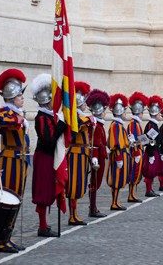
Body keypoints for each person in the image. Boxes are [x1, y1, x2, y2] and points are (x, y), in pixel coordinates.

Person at [0, 68, 29, 253]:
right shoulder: (5, 112)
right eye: (20, 95)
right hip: (8, 161)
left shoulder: (19, 113)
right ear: (12, 97)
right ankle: (1, 239)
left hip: (20, 161)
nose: (22, 98)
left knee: (17, 199)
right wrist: (18, 121)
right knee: (7, 199)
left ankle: (7, 236)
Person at [30, 73, 67, 237]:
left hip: (49, 156)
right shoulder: (42, 118)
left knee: (48, 189)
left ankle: (44, 225)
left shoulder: (49, 116)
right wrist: (61, 126)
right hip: (44, 156)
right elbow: (48, 141)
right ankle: (42, 226)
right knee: (43, 191)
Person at [67, 81, 94, 225]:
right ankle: (72, 215)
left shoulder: (81, 116)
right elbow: (80, 124)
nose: (85, 105)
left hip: (82, 153)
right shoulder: (76, 117)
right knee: (74, 185)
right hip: (76, 153)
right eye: (83, 102)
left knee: (80, 184)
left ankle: (75, 213)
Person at [86, 89, 110, 217]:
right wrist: (94, 158)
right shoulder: (95, 125)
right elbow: (94, 143)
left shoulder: (99, 124)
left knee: (97, 182)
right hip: (97, 158)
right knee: (95, 182)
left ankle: (93, 206)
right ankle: (92, 207)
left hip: (101, 156)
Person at [107, 93, 130, 210]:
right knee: (116, 179)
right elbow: (116, 143)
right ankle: (114, 202)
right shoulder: (116, 125)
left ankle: (116, 201)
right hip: (118, 155)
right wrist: (119, 157)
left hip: (121, 154)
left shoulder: (119, 125)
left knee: (119, 180)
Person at [127, 92, 148, 203]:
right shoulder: (133, 124)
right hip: (135, 152)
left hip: (139, 151)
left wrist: (146, 141)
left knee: (137, 173)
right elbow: (133, 140)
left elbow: (141, 138)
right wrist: (136, 153)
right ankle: (131, 195)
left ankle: (133, 193)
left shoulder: (137, 123)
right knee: (134, 173)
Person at [142, 95, 163, 197]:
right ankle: (148, 190)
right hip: (151, 151)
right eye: (160, 113)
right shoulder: (152, 125)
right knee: (150, 171)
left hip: (154, 151)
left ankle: (150, 189)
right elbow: (150, 140)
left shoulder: (153, 124)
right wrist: (151, 154)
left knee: (152, 171)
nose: (161, 115)